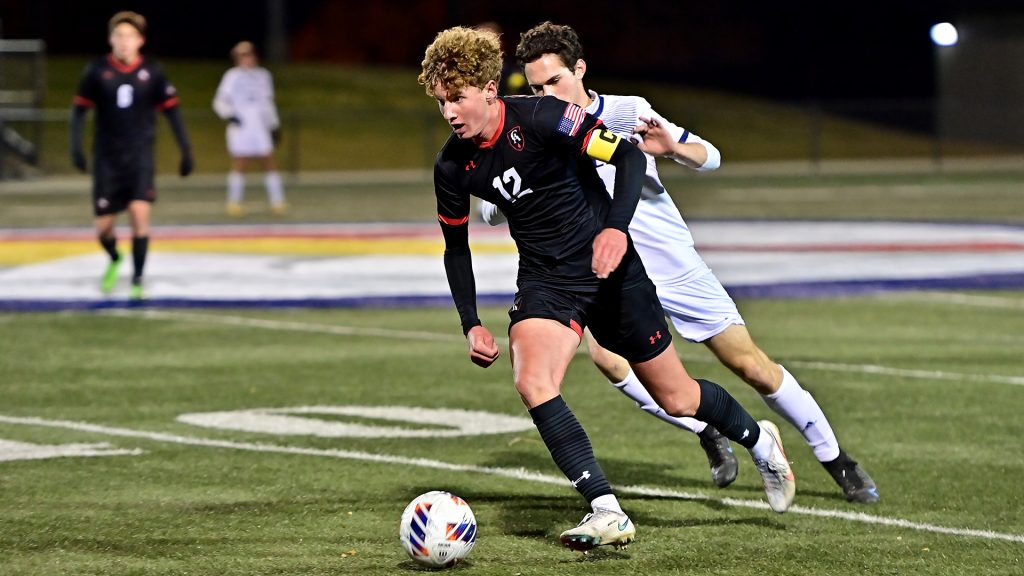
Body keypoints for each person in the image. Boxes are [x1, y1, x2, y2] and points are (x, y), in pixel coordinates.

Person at [419, 26, 795, 552]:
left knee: (678, 396)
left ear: (487, 88)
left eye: (457, 98)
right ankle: (605, 509)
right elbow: (456, 249)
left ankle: (759, 438)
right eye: (440, 102)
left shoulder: (546, 117)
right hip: (548, 281)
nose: (450, 113)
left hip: (609, 268)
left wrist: (615, 230)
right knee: (533, 381)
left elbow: (629, 158)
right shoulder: (452, 165)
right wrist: (471, 322)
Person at [480, 21, 877, 503]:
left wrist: (673, 149)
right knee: (610, 361)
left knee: (751, 366)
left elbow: (709, 156)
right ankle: (703, 429)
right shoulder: (535, 129)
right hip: (610, 278)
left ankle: (836, 459)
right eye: (537, 87)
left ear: (580, 69)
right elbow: (491, 204)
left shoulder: (626, 112)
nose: (547, 94)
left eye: (555, 82)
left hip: (670, 265)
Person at [70, 11, 193, 300]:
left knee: (140, 215)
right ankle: (114, 258)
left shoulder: (152, 72)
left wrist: (186, 150)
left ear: (140, 40)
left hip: (139, 157)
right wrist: (75, 146)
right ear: (110, 39)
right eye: (119, 35)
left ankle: (137, 280)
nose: (124, 42)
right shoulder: (97, 71)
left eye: (130, 36)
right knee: (104, 226)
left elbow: (172, 112)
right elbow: (78, 111)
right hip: (107, 159)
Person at [212, 41, 287, 216]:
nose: (246, 59)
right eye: (241, 56)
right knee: (240, 163)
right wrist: (230, 115)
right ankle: (234, 202)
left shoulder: (264, 76)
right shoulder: (232, 76)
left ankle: (277, 201)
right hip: (241, 128)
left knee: (269, 161)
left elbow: (268, 103)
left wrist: (274, 125)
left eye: (248, 55)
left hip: (260, 128)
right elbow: (219, 102)